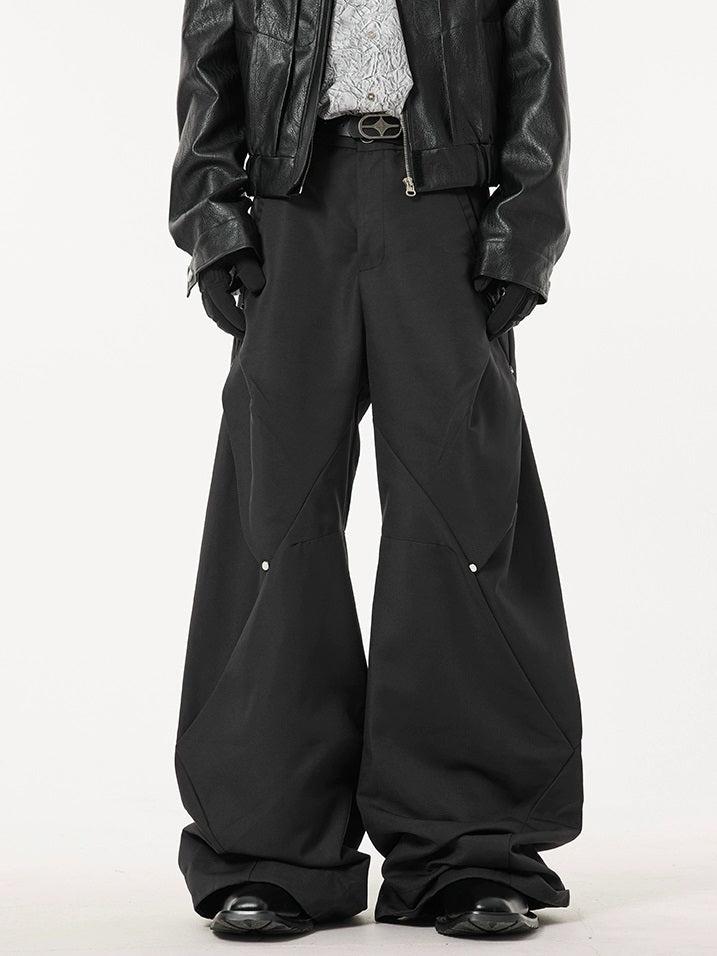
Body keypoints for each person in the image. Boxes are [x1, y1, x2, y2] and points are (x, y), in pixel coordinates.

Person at [169, 0, 582, 939]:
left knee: (460, 520)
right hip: (289, 216)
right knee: (274, 523)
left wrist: (523, 231)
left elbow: (535, 73)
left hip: (442, 217)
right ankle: (269, 852)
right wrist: (212, 221)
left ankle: (467, 849)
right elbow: (207, 72)